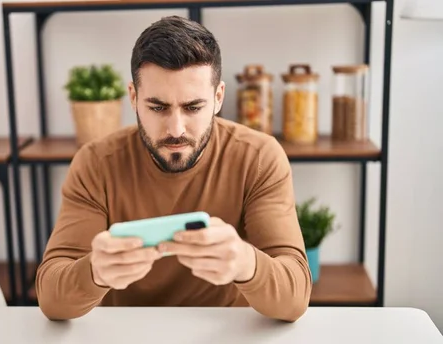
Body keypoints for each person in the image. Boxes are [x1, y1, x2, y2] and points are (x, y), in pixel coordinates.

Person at [36, 15, 312, 322]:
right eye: (157, 107)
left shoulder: (259, 157)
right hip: (125, 336)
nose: (176, 128)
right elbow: (51, 300)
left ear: (218, 97)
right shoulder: (96, 164)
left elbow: (295, 297)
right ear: (133, 97)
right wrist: (94, 272)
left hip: (226, 337)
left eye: (193, 107)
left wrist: (247, 264)